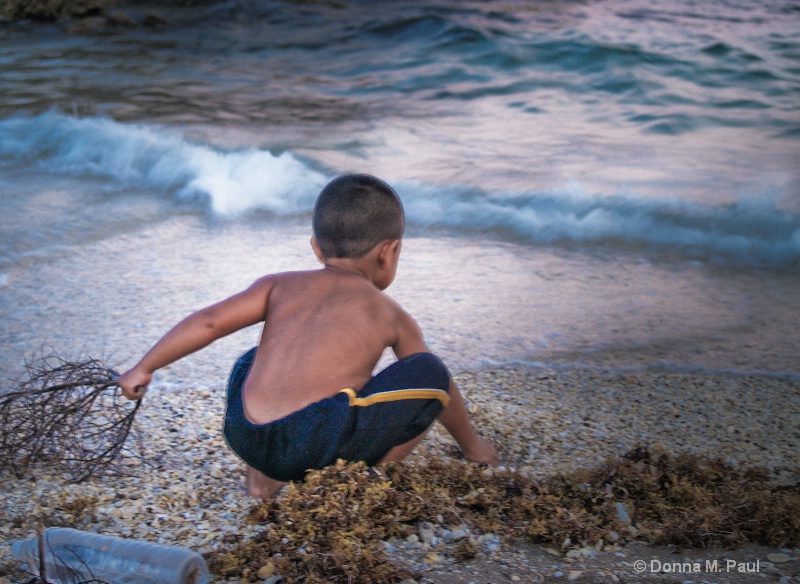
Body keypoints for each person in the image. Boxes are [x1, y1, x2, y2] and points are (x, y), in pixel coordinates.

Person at [118, 174, 498, 498]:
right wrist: (472, 445)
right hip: (313, 445)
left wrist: (144, 366)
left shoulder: (278, 285)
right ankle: (359, 483)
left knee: (253, 357)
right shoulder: (389, 314)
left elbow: (210, 322)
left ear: (316, 248)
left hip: (245, 434)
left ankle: (262, 473)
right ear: (389, 252)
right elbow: (438, 388)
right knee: (429, 371)